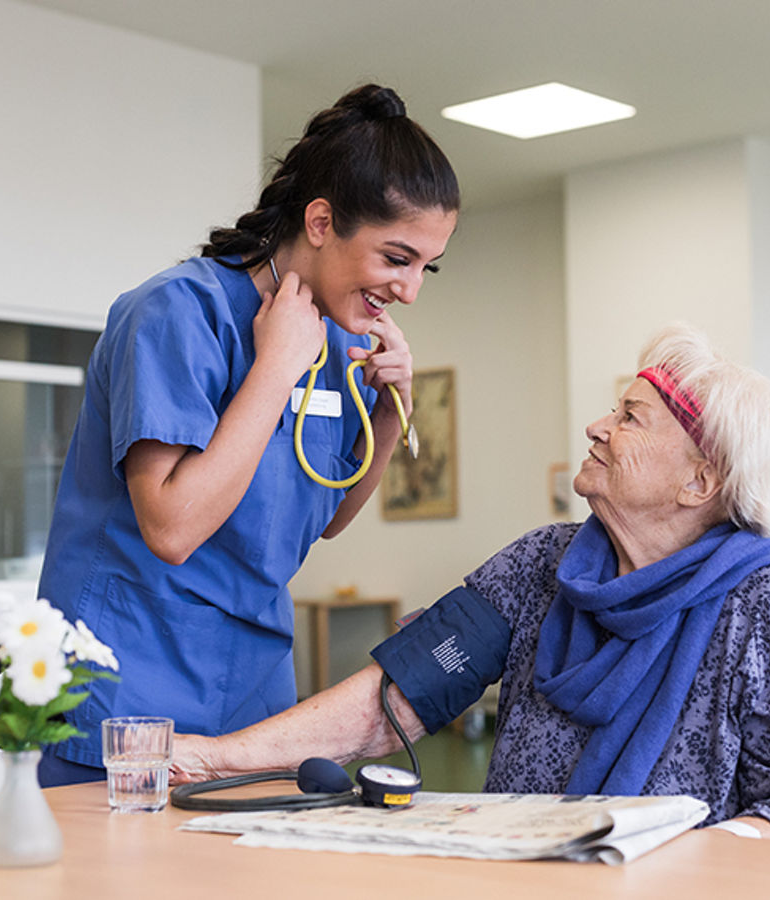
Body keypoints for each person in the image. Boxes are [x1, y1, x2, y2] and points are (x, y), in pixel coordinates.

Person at [172, 324, 770, 841]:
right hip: (511, 872)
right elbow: (396, 697)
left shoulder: (762, 600)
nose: (597, 426)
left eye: (631, 417)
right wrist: (209, 759)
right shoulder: (540, 566)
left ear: (700, 480)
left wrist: (681, 858)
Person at [36, 83, 458, 784]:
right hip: (132, 678)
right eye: (396, 257)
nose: (410, 290)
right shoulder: (177, 312)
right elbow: (171, 526)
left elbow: (329, 517)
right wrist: (275, 369)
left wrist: (389, 411)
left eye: (425, 267)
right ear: (321, 221)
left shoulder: (342, 340)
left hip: (255, 692)